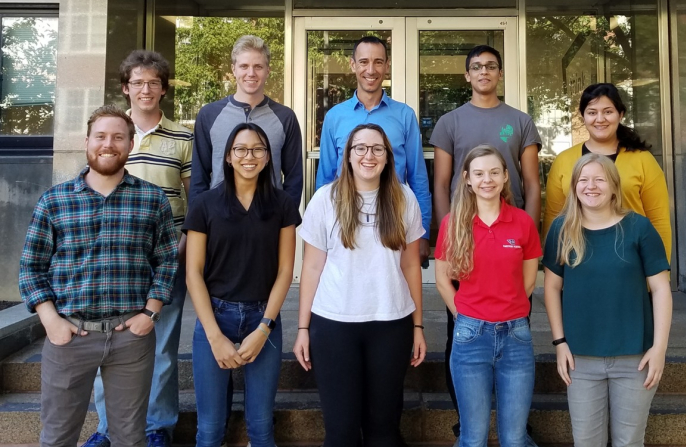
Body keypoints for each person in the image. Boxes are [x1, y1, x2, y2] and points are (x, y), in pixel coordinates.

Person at [19, 104, 178, 447]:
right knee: (57, 437)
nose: (109, 144)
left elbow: (167, 260)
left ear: (131, 144)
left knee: (129, 438)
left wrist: (150, 314)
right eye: (101, 136)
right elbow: (31, 268)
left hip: (130, 340)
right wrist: (51, 321)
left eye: (118, 137)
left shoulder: (152, 200)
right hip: (69, 336)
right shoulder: (54, 201)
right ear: (87, 141)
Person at [430, 44, 542, 444]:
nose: (483, 72)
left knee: (514, 333)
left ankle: (517, 423)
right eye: (476, 67)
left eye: (490, 66)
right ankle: (467, 421)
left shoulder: (519, 120)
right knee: (458, 337)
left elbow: (531, 182)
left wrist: (526, 227)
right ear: (467, 75)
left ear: (499, 73)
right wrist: (454, 233)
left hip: (510, 235)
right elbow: (442, 184)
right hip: (464, 240)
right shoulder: (450, 121)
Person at [81, 50, 193, 447]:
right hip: (114, 259)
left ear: (163, 89)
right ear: (126, 88)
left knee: (162, 347)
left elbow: (192, 197)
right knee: (106, 343)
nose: (146, 89)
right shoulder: (111, 134)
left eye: (154, 83)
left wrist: (182, 245)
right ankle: (108, 428)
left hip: (167, 258)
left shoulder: (183, 137)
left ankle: (157, 425)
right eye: (138, 82)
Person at [294, 123, 427, 447]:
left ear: (387, 157)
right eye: (361, 148)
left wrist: (419, 326)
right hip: (335, 324)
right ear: (348, 156)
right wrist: (302, 329)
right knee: (341, 432)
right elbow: (311, 266)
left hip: (391, 323)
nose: (369, 155)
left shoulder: (404, 198)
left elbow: (411, 265)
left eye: (377, 149)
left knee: (384, 432)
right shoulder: (325, 199)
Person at [542, 154, 672, 447]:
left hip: (635, 358)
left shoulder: (639, 228)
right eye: (583, 180)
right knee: (587, 442)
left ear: (614, 186)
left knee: (629, 442)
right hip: (580, 359)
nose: (591, 186)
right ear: (574, 186)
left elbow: (661, 289)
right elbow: (551, 288)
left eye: (599, 179)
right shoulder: (562, 229)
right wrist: (559, 342)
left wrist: (660, 348)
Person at [184, 122, 300, 447]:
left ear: (267, 157)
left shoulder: (282, 205)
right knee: (208, 430)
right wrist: (213, 336)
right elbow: (193, 272)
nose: (249, 156)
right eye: (241, 149)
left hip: (263, 316)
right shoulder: (205, 204)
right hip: (214, 317)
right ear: (228, 156)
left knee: (262, 428)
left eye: (258, 149)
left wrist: (264, 327)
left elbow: (286, 270)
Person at [316, 36, 431, 264]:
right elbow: (326, 178)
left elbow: (418, 177)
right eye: (364, 62)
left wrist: (424, 231)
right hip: (344, 220)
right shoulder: (335, 117)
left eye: (378, 62)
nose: (371, 69)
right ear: (353, 65)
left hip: (394, 219)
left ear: (387, 66)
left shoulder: (404, 115)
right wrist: (321, 228)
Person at [542, 82, 671, 261]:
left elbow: (659, 221)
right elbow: (553, 218)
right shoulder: (564, 161)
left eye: (608, 112)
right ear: (582, 117)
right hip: (578, 260)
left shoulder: (643, 160)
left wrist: (658, 273)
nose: (600, 119)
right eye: (592, 112)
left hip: (632, 262)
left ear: (621, 115)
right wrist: (554, 270)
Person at [190, 34, 303, 208]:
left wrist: (284, 219)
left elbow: (294, 179)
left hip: (269, 219)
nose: (251, 73)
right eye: (244, 66)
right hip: (219, 218)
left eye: (258, 66)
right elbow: (199, 177)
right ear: (233, 69)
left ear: (268, 71)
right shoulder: (209, 115)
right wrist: (198, 224)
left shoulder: (285, 117)